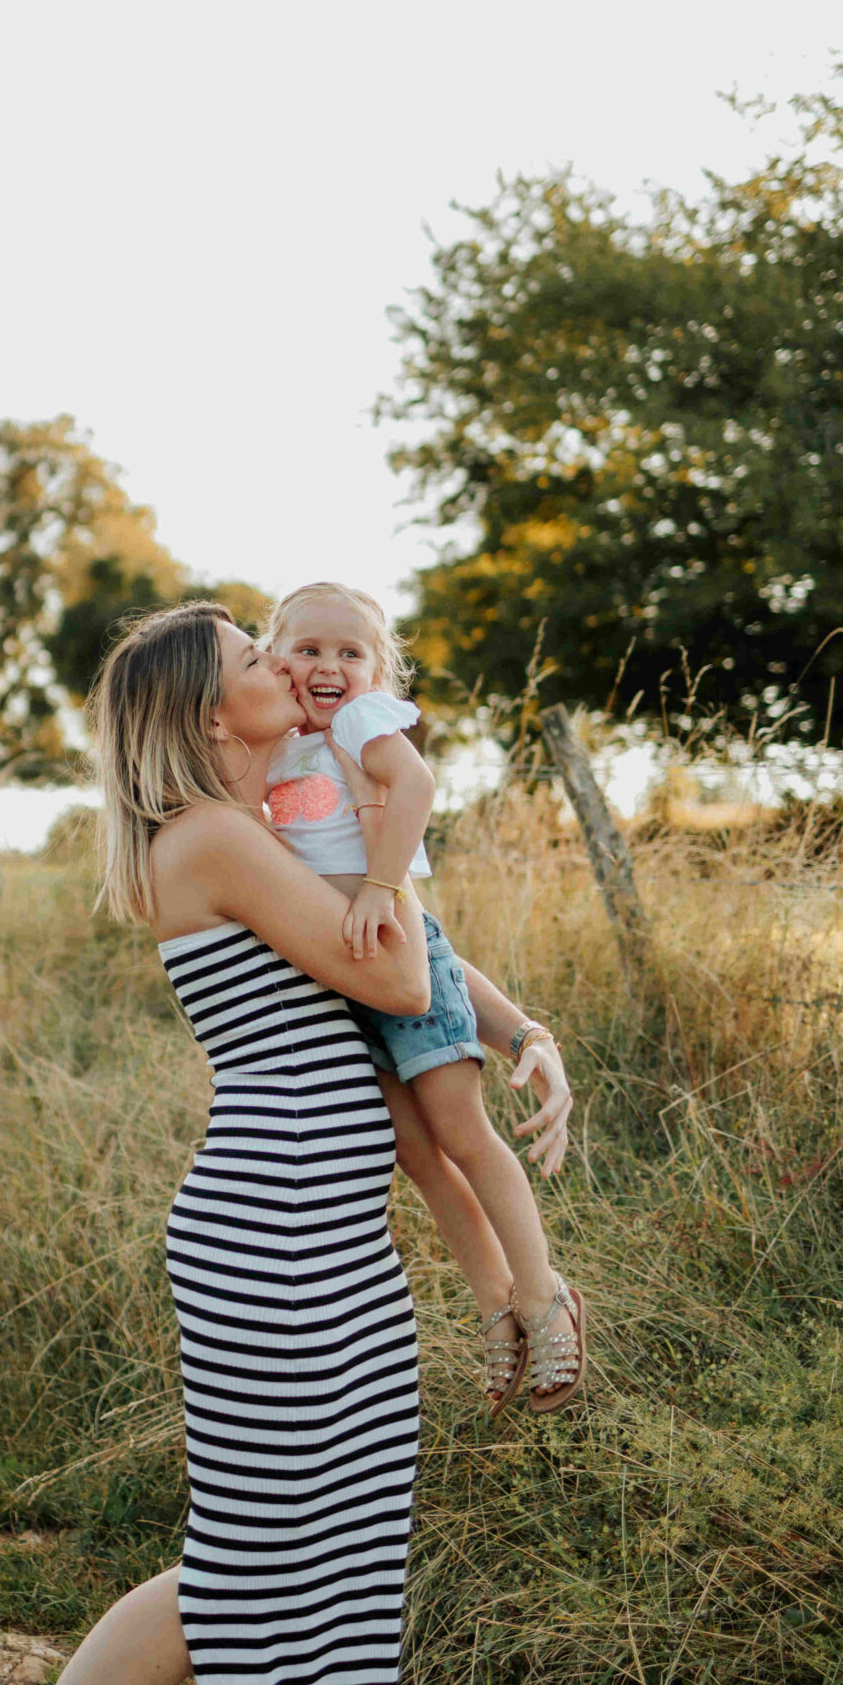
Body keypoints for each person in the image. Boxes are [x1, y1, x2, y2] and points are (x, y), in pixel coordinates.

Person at [0, 601, 572, 1685]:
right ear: (203, 712)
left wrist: (523, 1026)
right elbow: (400, 974)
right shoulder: (217, 840)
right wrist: (385, 830)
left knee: (335, 1555)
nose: (283, 668)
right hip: (268, 1232)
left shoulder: (280, 826)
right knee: (245, 1564)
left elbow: (399, 942)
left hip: (329, 1229)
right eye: (249, 661)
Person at [263, 581, 585, 1417]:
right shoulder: (277, 751)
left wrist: (377, 884)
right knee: (413, 1154)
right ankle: (494, 1307)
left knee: (460, 1132)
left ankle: (544, 1296)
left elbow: (415, 789)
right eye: (307, 649)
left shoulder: (363, 721)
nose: (328, 666)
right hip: (347, 981)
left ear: (377, 668)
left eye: (349, 652)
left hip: (399, 953)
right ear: (272, 656)